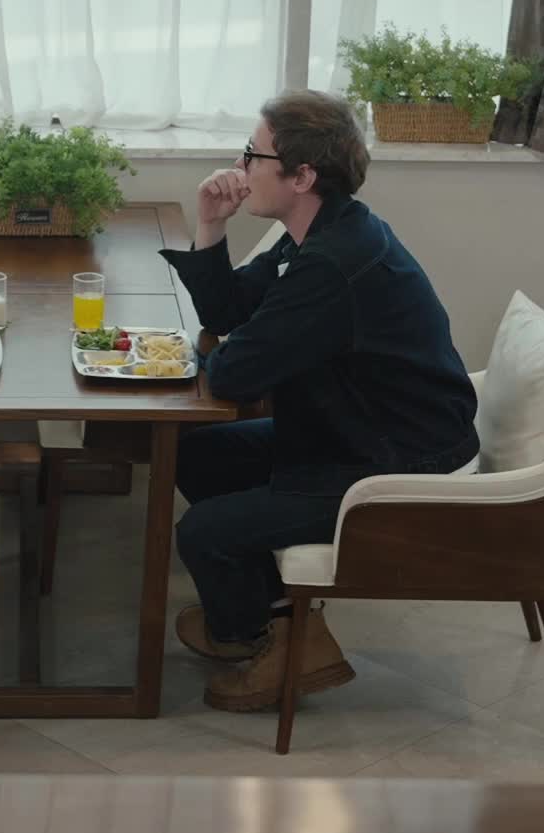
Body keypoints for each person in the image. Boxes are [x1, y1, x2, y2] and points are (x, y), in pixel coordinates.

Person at [160, 90, 479, 714]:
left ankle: (275, 640)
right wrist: (212, 224)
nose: (241, 167)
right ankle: (277, 620)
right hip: (351, 430)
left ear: (302, 176)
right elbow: (228, 314)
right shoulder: (321, 230)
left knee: (205, 534)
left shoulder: (334, 262)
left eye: (253, 154)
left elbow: (233, 375)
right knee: (197, 454)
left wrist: (239, 347)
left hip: (393, 461)